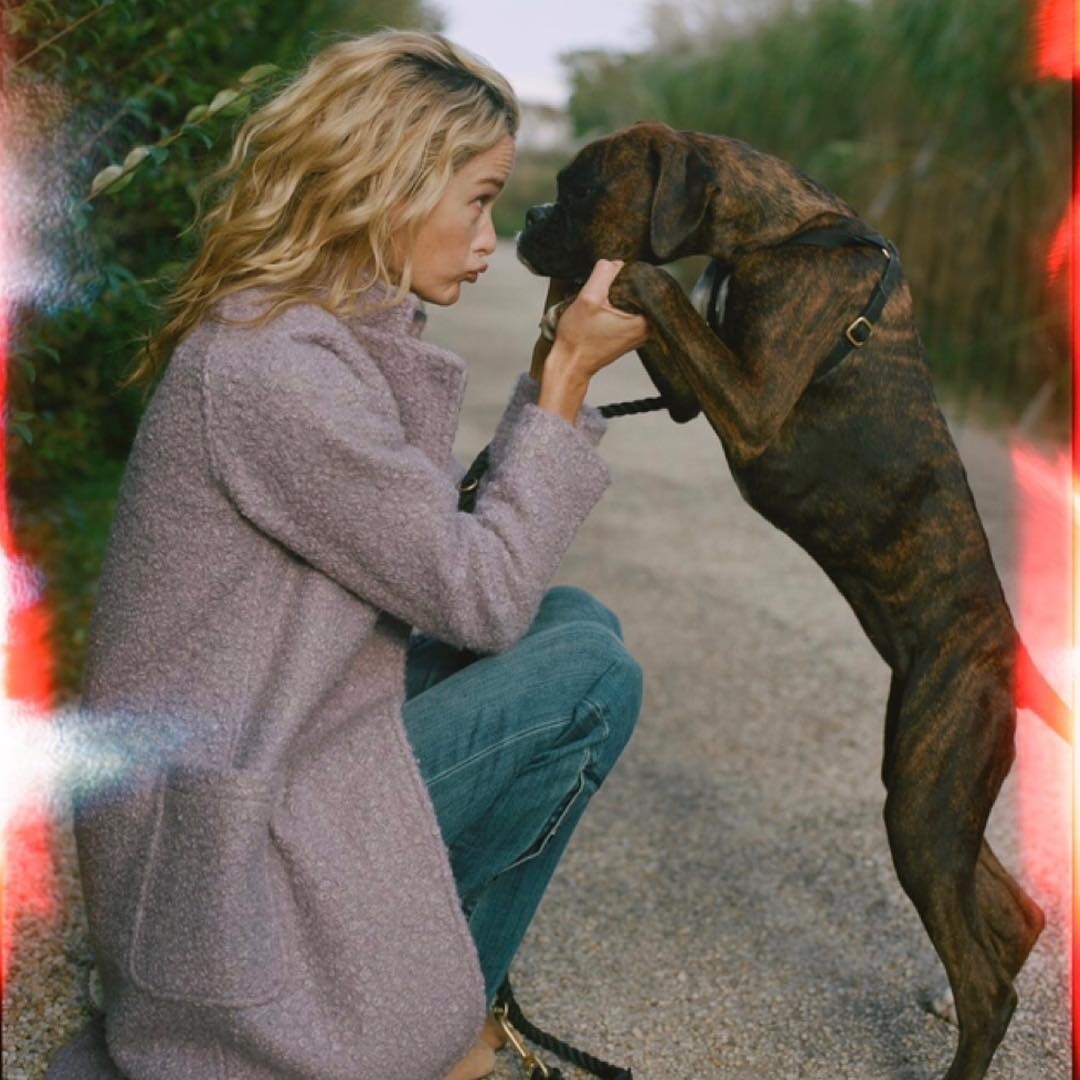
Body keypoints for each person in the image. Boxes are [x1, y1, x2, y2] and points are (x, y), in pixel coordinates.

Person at [47, 29, 647, 1080]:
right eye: (478, 200)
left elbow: (445, 555)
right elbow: (480, 593)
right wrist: (563, 382)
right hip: (223, 864)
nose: (489, 238)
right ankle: (437, 1033)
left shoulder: (299, 337)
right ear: (389, 184)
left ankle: (434, 1000)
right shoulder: (275, 371)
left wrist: (552, 371)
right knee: (588, 676)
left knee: (576, 623)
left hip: (265, 759)